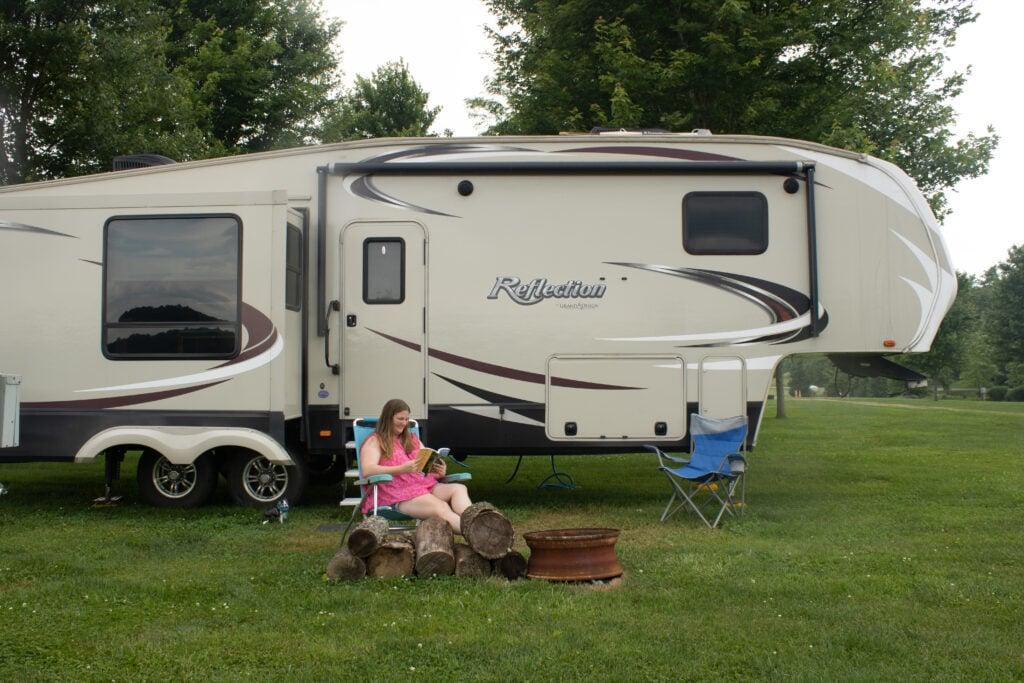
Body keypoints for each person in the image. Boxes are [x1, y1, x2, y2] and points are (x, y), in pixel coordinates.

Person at [359, 398, 472, 533]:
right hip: (397, 494)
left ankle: (476, 523)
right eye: (400, 419)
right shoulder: (376, 441)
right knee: (440, 507)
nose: (404, 423)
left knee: (458, 489)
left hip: (423, 486)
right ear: (388, 418)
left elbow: (424, 467)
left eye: (407, 419)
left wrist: (439, 472)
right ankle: (476, 535)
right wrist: (401, 469)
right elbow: (368, 470)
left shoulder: (411, 439)